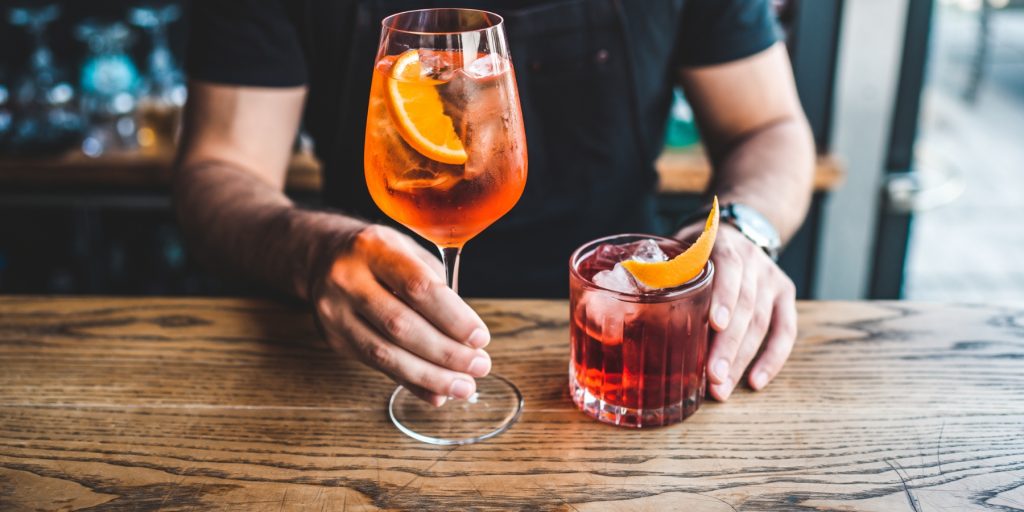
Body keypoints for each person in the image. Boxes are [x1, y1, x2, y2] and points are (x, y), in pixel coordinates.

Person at [173, 1, 815, 407]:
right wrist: (312, 252)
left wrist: (743, 229)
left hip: (615, 339)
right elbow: (217, 170)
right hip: (353, 358)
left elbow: (770, 128)